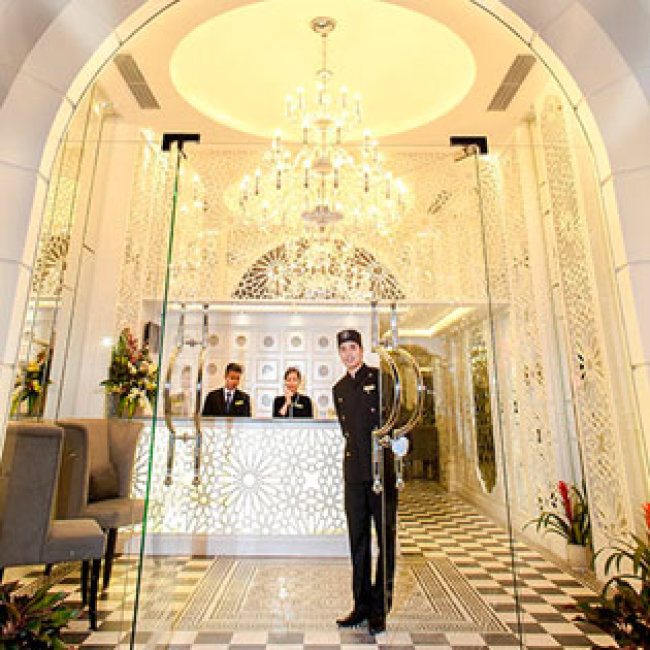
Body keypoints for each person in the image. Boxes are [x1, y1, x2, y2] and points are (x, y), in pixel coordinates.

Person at [332, 329, 409, 636]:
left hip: (381, 472)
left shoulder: (381, 379)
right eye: (344, 349)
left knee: (385, 540)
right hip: (354, 474)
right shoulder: (338, 388)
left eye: (353, 347)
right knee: (358, 541)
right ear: (340, 354)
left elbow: (399, 417)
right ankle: (361, 605)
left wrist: (403, 441)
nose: (349, 353)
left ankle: (380, 609)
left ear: (362, 350)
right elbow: (346, 431)